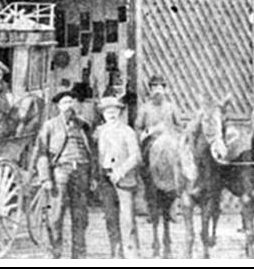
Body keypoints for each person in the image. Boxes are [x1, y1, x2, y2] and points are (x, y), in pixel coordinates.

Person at [34, 89, 96, 259]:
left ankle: (79, 255)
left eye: (71, 102)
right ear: (58, 107)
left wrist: (93, 176)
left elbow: (92, 152)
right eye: (65, 103)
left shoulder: (84, 125)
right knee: (56, 214)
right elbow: (42, 153)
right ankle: (55, 253)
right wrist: (45, 177)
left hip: (82, 171)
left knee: (81, 215)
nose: (69, 106)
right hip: (61, 171)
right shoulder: (50, 125)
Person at [96, 95, 141, 258]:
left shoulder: (127, 131)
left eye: (114, 111)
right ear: (102, 114)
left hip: (124, 179)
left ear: (119, 112)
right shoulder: (100, 132)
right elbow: (97, 155)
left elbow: (135, 156)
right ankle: (115, 253)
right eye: (107, 111)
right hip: (106, 179)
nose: (111, 114)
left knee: (127, 219)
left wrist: (120, 171)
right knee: (110, 217)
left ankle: (131, 254)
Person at [134, 75, 180, 167]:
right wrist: (148, 132)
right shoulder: (145, 109)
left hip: (170, 140)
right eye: (154, 87)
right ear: (150, 90)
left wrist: (173, 131)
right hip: (151, 141)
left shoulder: (170, 107)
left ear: (164, 90)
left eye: (160, 87)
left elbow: (179, 125)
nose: (157, 91)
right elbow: (138, 128)